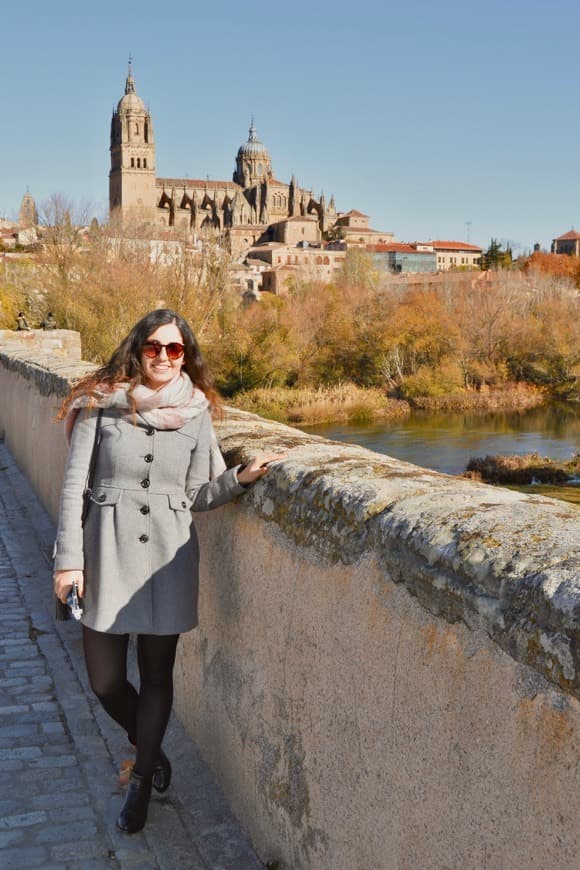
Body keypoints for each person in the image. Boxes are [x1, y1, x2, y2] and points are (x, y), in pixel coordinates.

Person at [53, 308, 282, 834]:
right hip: (106, 553)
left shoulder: (198, 413)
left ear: (186, 355)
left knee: (157, 675)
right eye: (153, 347)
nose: (161, 356)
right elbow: (72, 487)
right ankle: (151, 752)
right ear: (137, 349)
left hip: (168, 556)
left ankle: (140, 786)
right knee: (106, 681)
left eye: (173, 349)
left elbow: (201, 492)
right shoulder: (100, 404)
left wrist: (241, 479)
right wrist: (68, 562)